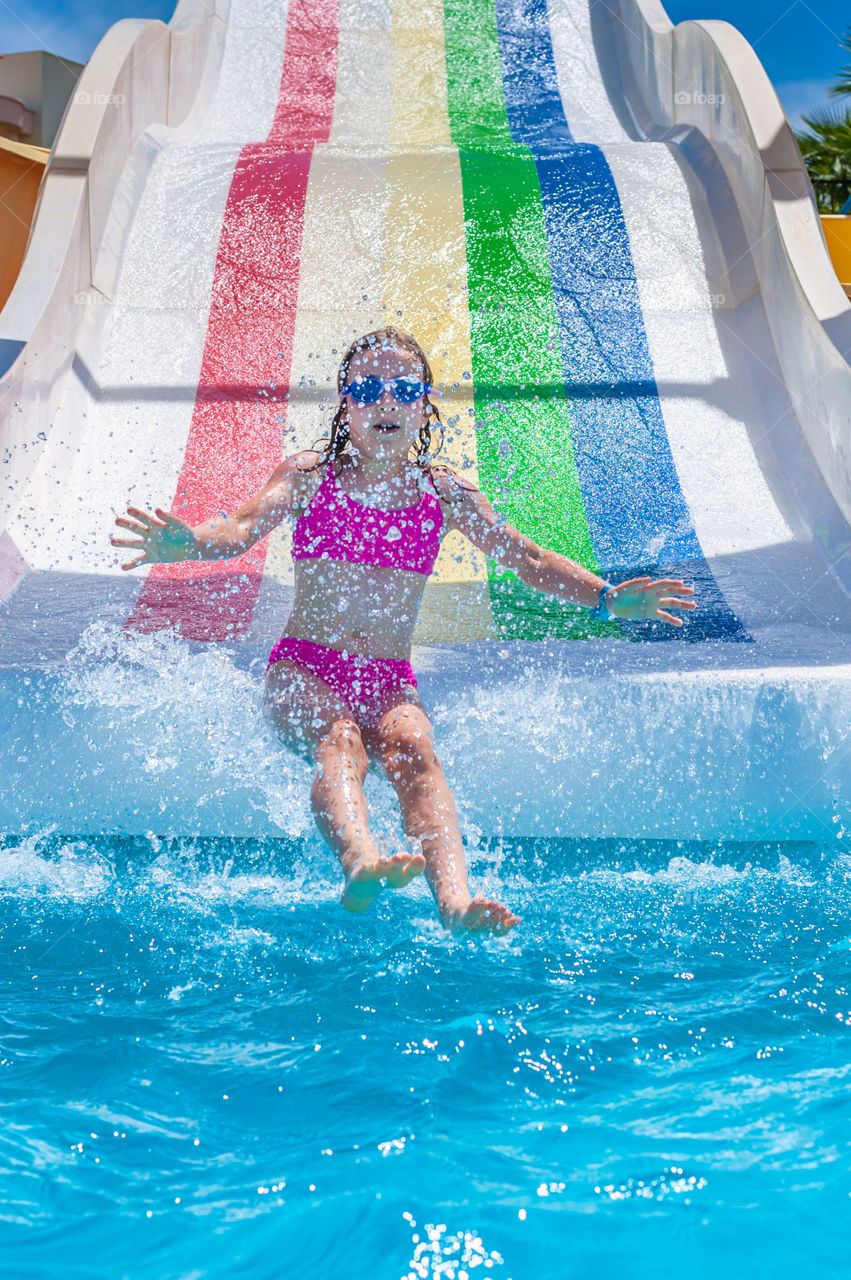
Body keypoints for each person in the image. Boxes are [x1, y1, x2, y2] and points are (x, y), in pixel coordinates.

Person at [112, 327, 695, 934]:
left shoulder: (443, 492)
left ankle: (455, 901)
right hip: (305, 668)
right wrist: (190, 542)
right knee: (340, 741)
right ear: (345, 402)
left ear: (424, 402)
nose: (384, 401)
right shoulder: (311, 476)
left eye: (401, 388)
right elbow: (240, 527)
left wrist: (605, 597)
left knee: (416, 751)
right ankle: (361, 861)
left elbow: (528, 560)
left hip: (389, 679)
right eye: (367, 388)